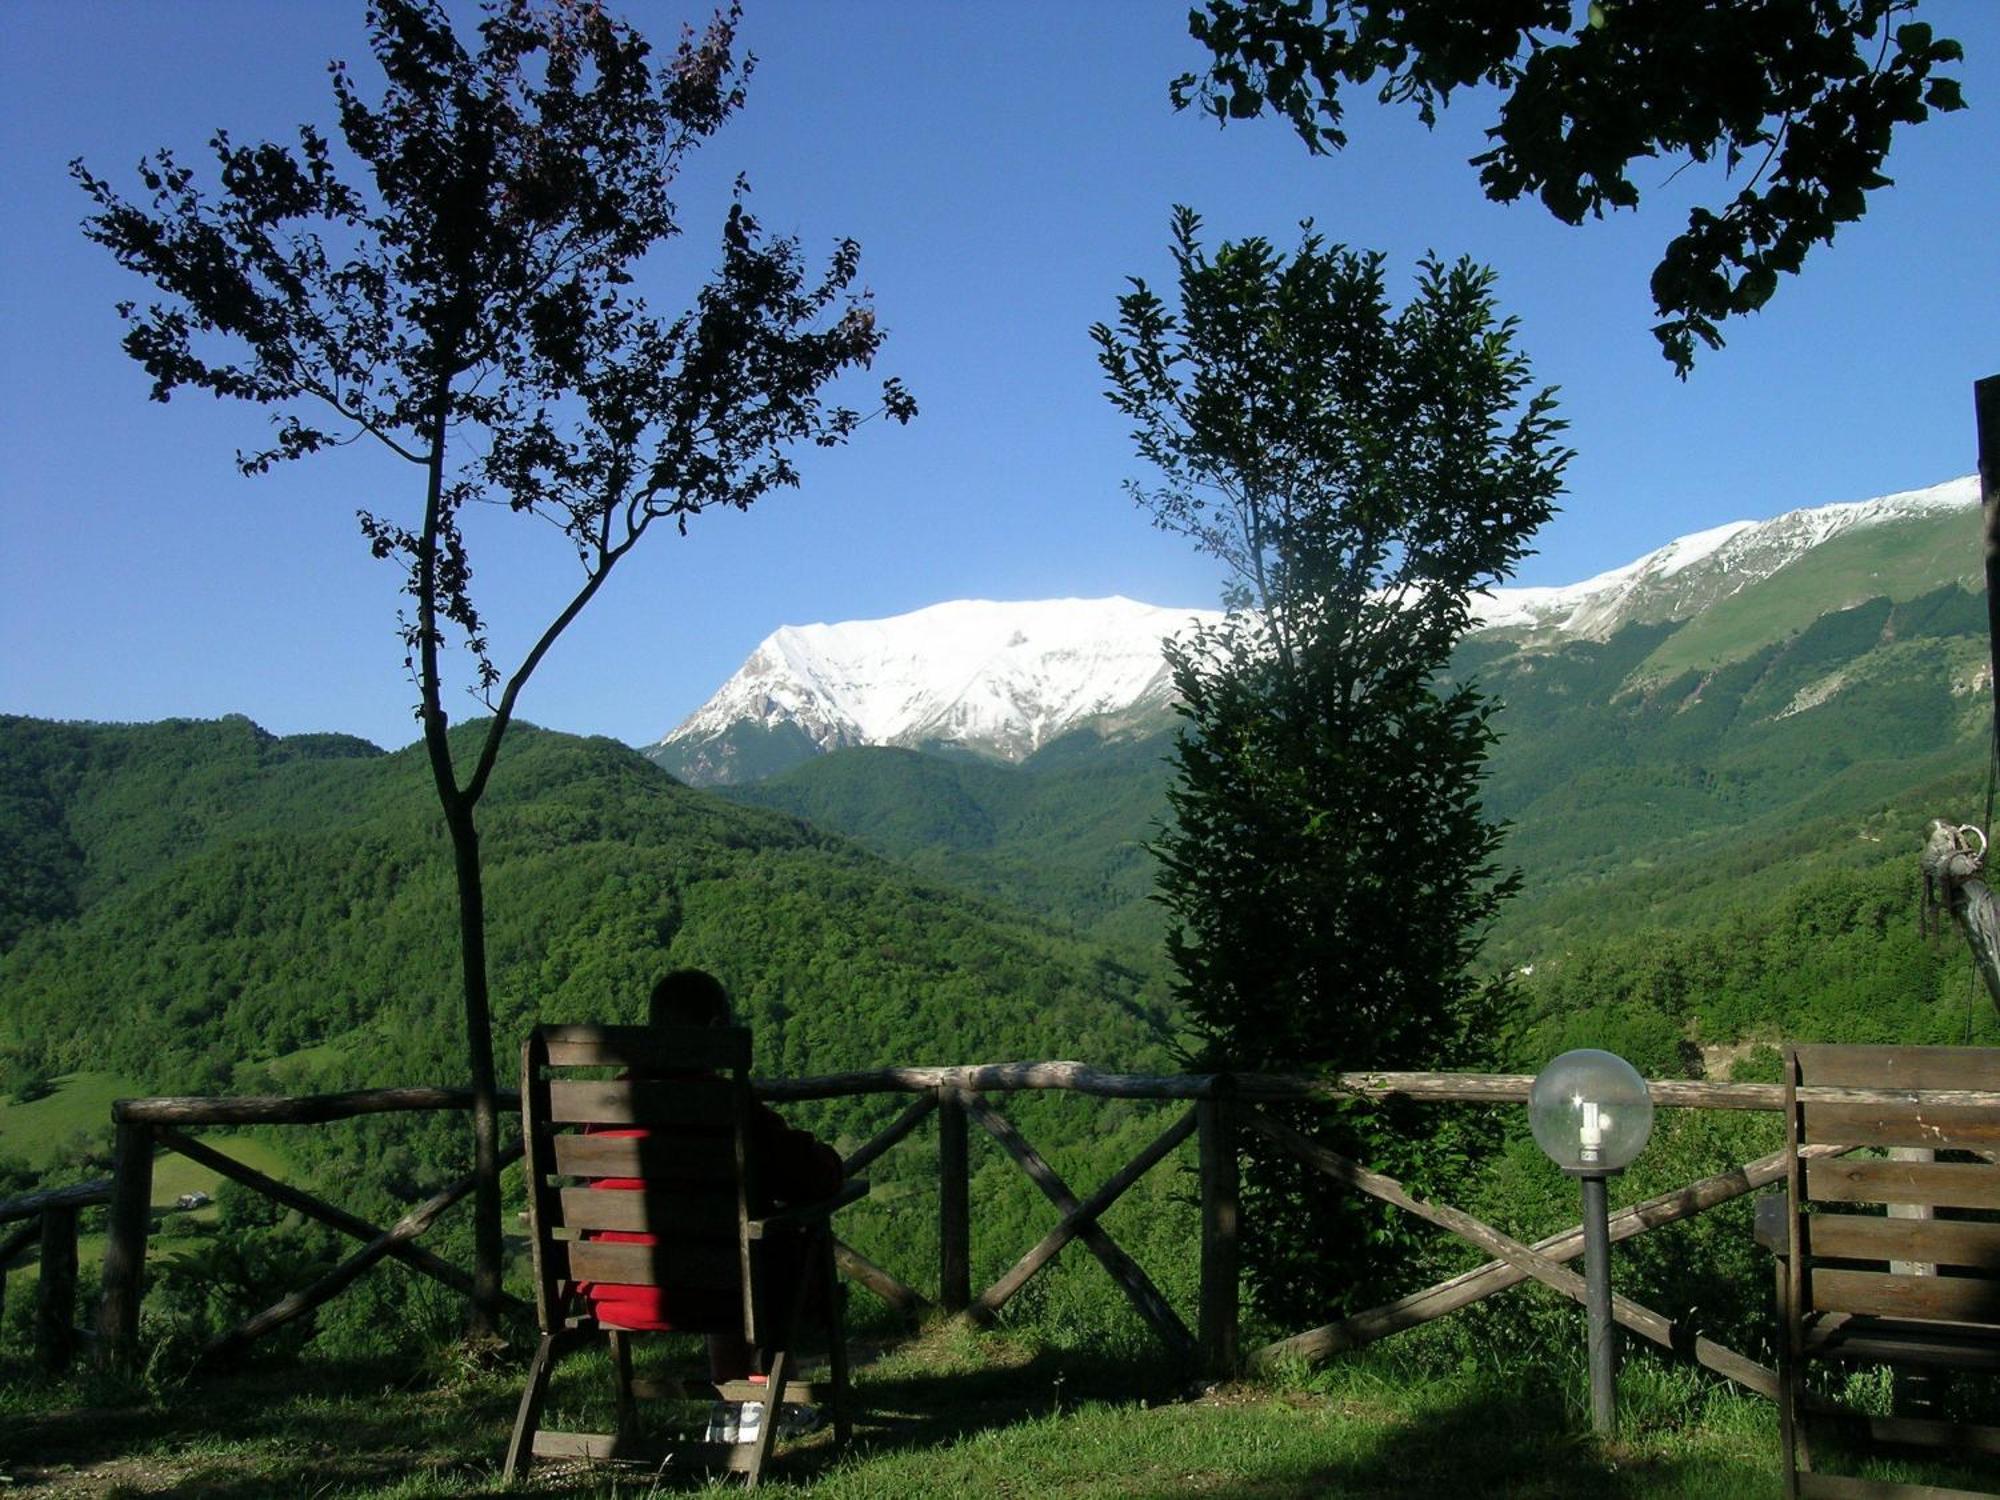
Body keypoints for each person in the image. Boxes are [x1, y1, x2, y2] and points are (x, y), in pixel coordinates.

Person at [574, 968, 842, 1440]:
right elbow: (811, 1175)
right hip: (719, 1290)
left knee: (728, 1252)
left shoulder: (598, 1112)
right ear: (717, 1030)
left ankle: (733, 1407)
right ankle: (760, 1399)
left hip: (610, 1291)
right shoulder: (725, 1104)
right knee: (770, 1248)